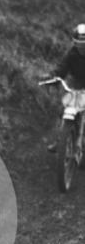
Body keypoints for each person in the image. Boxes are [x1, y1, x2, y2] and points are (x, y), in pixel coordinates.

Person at [46, 23, 85, 152]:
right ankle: (60, 140)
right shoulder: (71, 54)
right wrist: (54, 77)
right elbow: (62, 66)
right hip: (76, 82)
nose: (81, 48)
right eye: (79, 44)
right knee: (65, 107)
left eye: (84, 44)